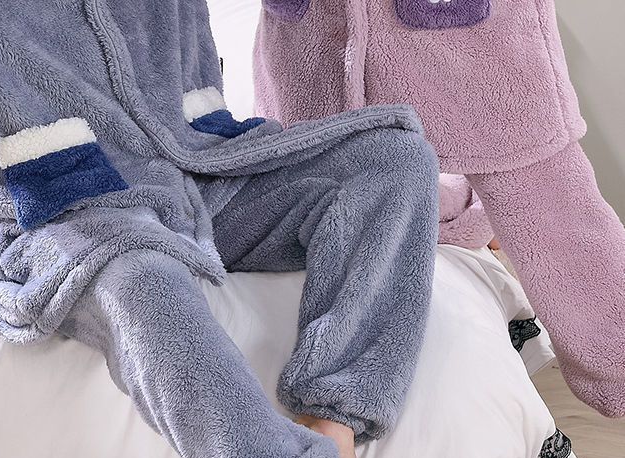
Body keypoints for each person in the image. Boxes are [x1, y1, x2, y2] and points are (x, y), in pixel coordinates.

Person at [0, 0, 439, 458]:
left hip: (202, 170)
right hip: (69, 207)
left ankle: (332, 418)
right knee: (141, 281)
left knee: (392, 157)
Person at [255, 0, 625, 417]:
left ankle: (616, 364)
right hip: (315, 41)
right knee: (329, 179)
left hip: (476, 44)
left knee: (548, 204)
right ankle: (447, 205)